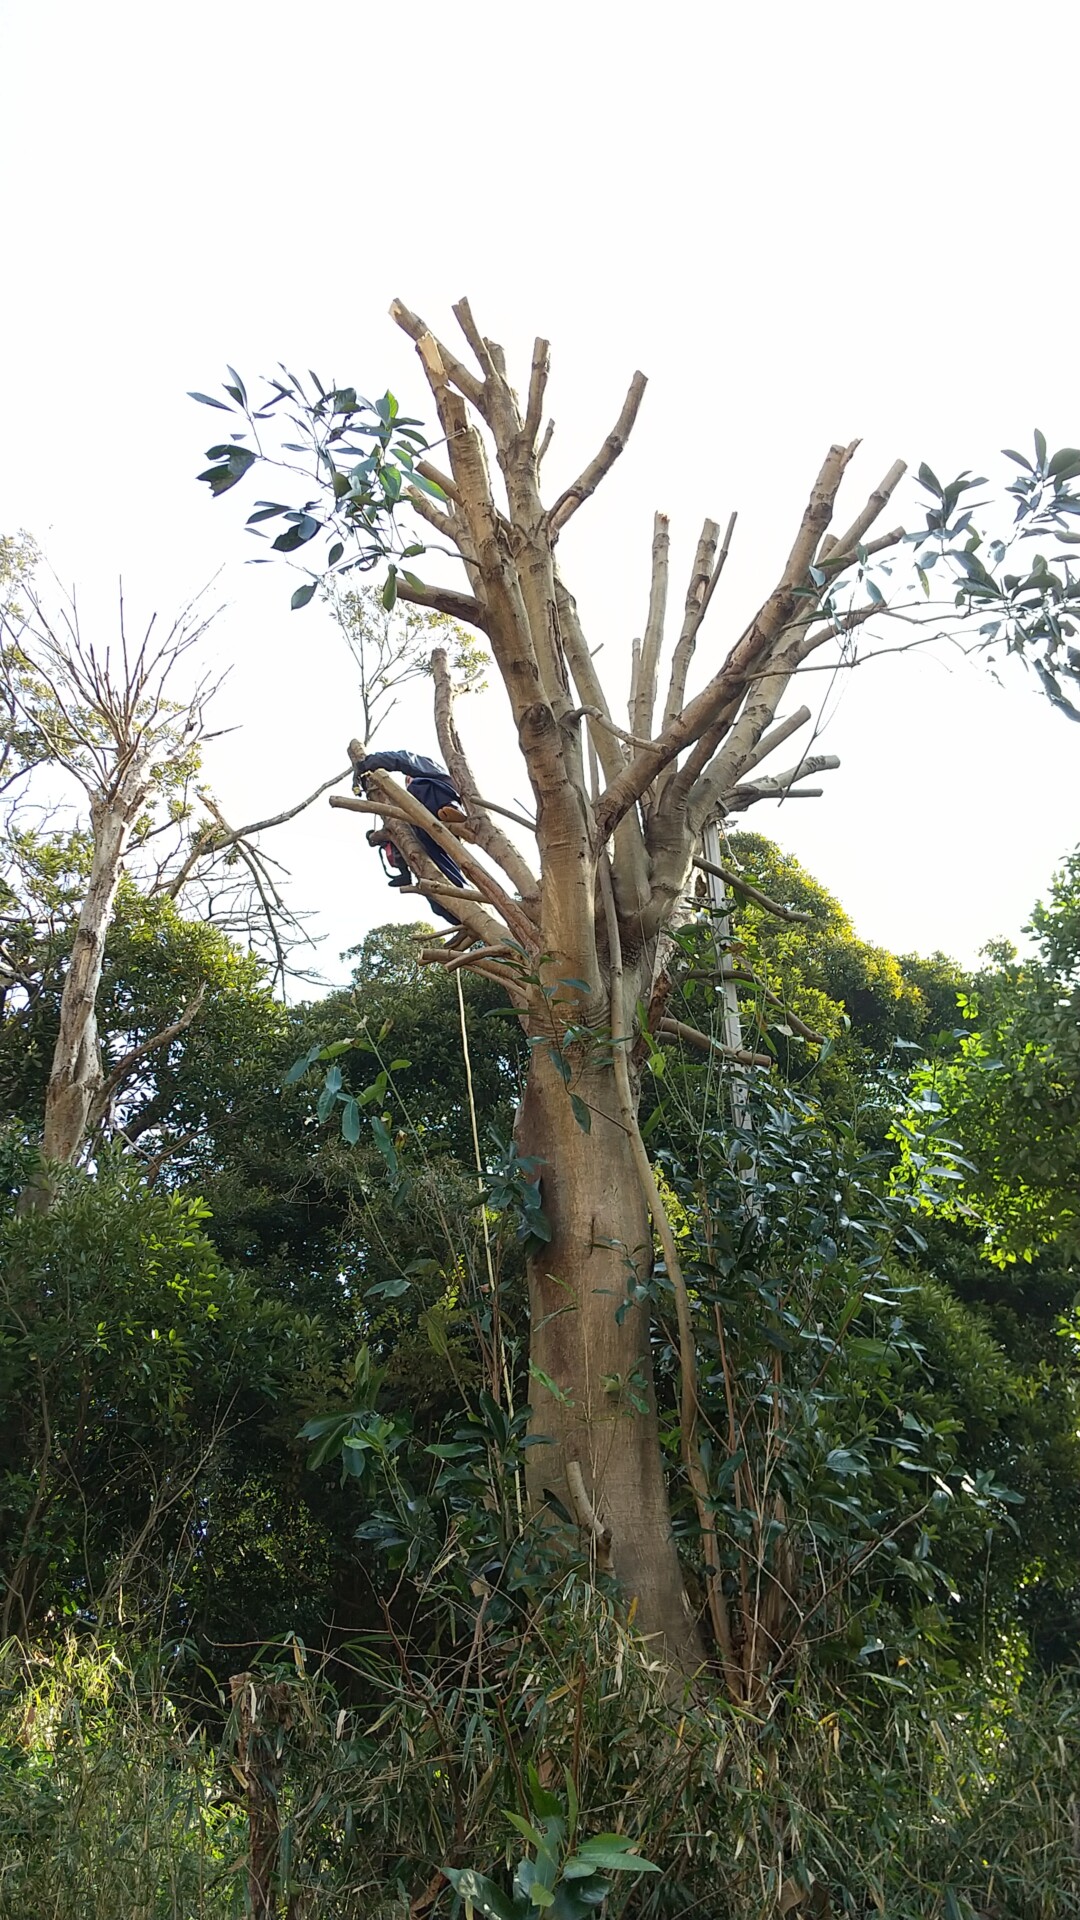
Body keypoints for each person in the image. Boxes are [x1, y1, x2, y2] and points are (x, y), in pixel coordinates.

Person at [349, 744, 469, 925]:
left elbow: (403, 758)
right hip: (426, 828)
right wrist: (382, 838)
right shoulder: (415, 799)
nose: (407, 783)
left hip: (439, 806)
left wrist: (368, 763)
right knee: (433, 873)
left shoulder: (427, 773)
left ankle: (450, 809)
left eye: (407, 780)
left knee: (420, 788)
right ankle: (452, 911)